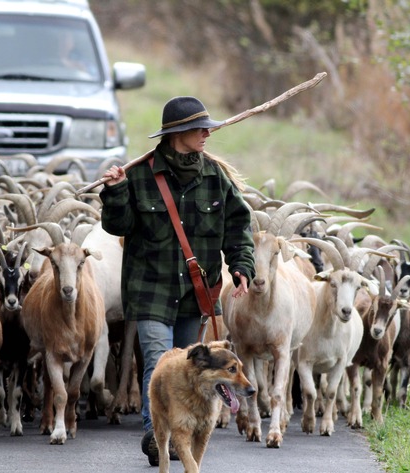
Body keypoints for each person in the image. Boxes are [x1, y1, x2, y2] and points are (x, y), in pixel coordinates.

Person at [99, 96, 256, 466]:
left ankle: (182, 432)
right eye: (199, 129)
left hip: (196, 292)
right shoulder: (139, 175)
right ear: (177, 134)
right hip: (150, 288)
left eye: (207, 128)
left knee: (190, 367)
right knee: (158, 361)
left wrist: (241, 265)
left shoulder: (215, 177)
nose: (207, 133)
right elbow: (117, 226)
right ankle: (158, 438)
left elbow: (238, 225)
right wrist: (116, 192)